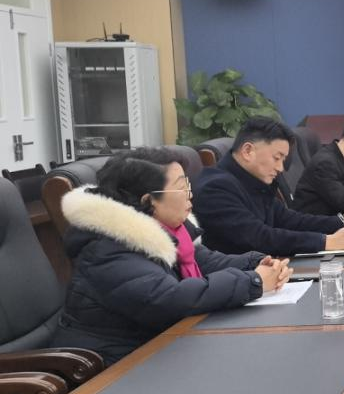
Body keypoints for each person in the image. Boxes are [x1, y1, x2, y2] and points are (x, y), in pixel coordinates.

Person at [50, 148, 291, 364]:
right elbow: (170, 299)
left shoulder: (168, 232)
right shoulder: (108, 249)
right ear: (149, 201)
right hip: (110, 369)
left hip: (159, 349)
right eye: (181, 187)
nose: (190, 195)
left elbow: (206, 261)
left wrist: (257, 263)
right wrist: (253, 281)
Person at [193, 116, 344, 256]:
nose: (280, 168)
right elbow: (259, 237)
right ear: (248, 151)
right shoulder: (215, 188)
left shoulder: (252, 181)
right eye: (276, 158)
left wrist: (342, 222)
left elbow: (288, 220)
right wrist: (326, 242)